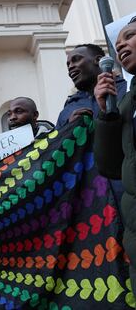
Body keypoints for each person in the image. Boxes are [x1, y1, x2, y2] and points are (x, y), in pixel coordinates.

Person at [93, 16, 136, 294]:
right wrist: (106, 113)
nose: (120, 46)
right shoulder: (126, 101)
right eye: (117, 43)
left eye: (130, 36)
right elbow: (110, 165)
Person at [56, 43, 127, 128]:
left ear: (98, 60)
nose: (70, 67)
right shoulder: (68, 108)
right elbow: (58, 140)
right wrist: (70, 128)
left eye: (76, 59)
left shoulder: (127, 89)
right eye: (68, 64)